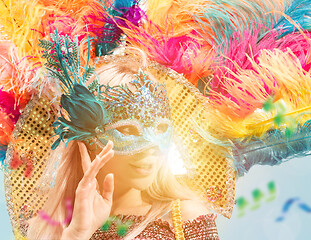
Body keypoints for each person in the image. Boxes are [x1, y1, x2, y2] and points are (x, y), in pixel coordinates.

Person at [27, 55, 219, 239]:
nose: (151, 147)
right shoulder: (45, 229)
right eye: (127, 129)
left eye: (161, 128)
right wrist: (76, 236)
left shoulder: (188, 220)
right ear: (88, 140)